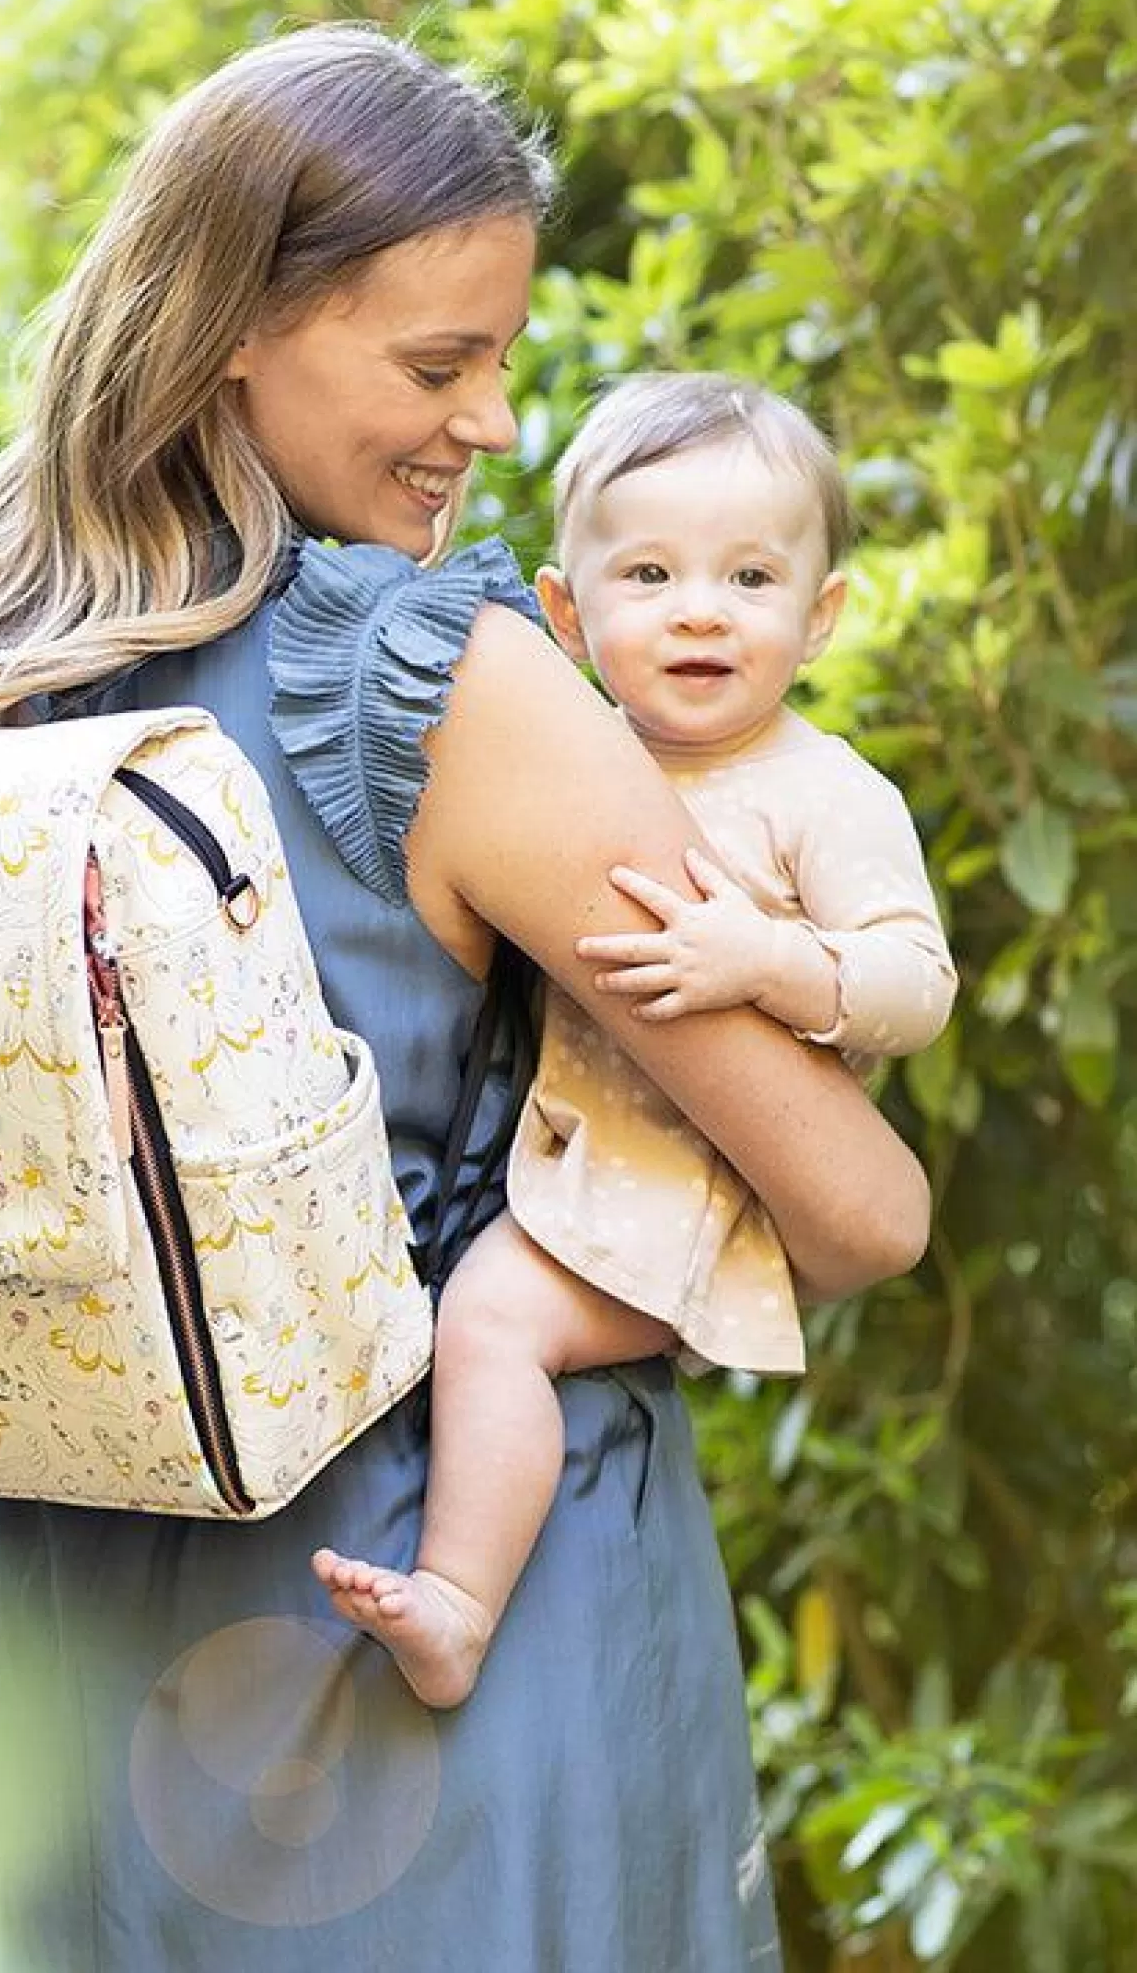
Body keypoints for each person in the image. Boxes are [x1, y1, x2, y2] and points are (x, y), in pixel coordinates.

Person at [0, 23, 931, 1971]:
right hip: (436, 1633)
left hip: (72, 1626)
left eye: (503, 360)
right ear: (235, 328)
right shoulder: (444, 682)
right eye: (444, 364)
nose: (500, 424)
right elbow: (853, 1211)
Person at [312, 372, 957, 1710]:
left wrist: (770, 962)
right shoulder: (573, 755)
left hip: (690, 1187)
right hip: (584, 1151)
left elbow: (916, 982)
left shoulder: (821, 790)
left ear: (821, 613)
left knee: (492, 1325)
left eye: (751, 578)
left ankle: (457, 1608)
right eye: (652, 573)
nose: (701, 609)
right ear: (566, 612)